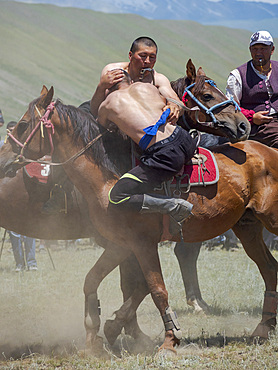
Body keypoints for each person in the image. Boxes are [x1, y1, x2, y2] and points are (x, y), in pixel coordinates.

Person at [97, 70, 197, 236]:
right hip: (185, 139)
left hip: (166, 154)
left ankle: (174, 206)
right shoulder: (147, 87)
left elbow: (103, 129)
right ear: (130, 82)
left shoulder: (107, 105)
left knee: (117, 195)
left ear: (109, 89)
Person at [90, 36, 183, 124]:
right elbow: (94, 110)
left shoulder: (158, 79)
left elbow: (177, 103)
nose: (147, 61)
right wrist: (102, 86)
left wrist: (174, 106)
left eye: (152, 57)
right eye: (143, 56)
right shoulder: (112, 71)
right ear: (130, 55)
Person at [226, 30, 278, 148]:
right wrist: (252, 117)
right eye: (255, 49)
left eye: (263, 48)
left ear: (272, 49)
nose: (258, 52)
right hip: (259, 128)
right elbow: (230, 108)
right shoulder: (238, 75)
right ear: (250, 50)